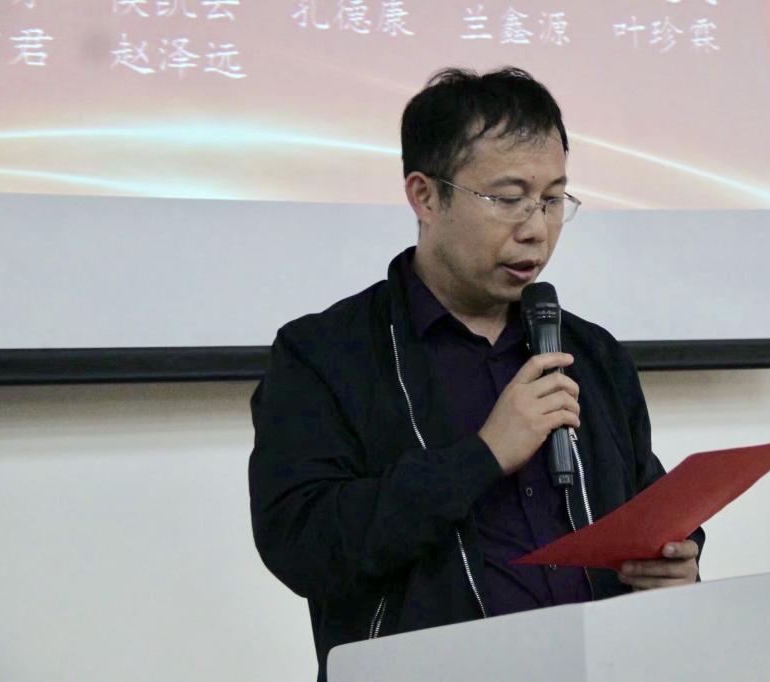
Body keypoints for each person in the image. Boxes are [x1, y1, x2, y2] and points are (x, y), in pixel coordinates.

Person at [248, 67, 704, 680]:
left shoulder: (591, 353)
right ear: (425, 197)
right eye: (509, 199)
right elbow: (302, 545)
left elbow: (645, 505)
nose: (536, 229)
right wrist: (483, 456)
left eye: (552, 200)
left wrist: (676, 559)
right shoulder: (326, 355)